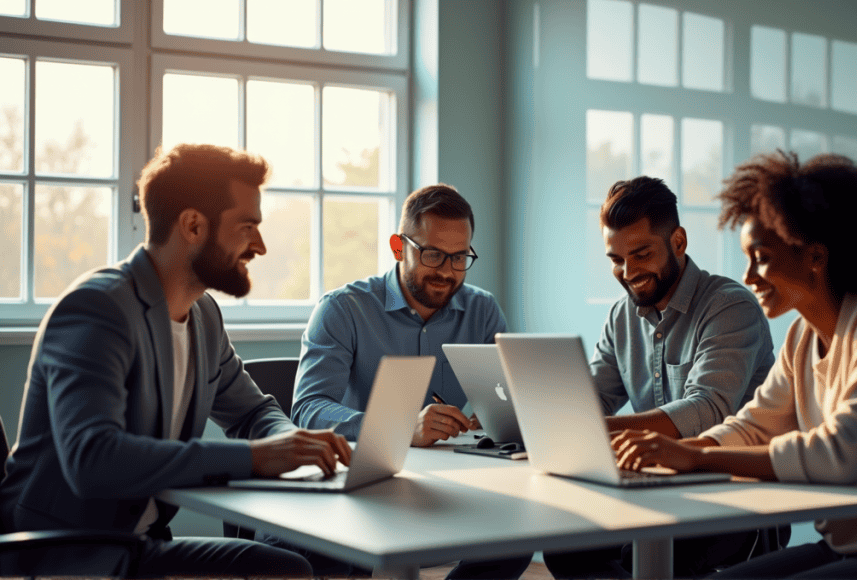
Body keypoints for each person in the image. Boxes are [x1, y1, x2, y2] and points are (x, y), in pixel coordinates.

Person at [613, 152, 857, 578]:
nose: (749, 276)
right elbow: (752, 426)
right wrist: (681, 452)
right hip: (851, 550)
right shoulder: (802, 338)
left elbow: (840, 454)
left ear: (814, 256)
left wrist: (696, 459)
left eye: (762, 257)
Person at [0, 144, 353, 577]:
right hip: (61, 553)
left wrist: (295, 445)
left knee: (287, 569)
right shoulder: (97, 308)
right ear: (192, 225)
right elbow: (93, 461)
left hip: (138, 545)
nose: (259, 246)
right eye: (247, 227)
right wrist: (256, 457)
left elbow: (254, 411)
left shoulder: (202, 315)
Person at [277, 183, 532, 579]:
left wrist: (495, 418)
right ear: (399, 247)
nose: (447, 271)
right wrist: (398, 427)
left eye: (460, 257)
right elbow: (308, 410)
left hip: (450, 483)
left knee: (517, 536)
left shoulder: (482, 310)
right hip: (363, 485)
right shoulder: (343, 309)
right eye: (433, 254)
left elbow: (505, 397)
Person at [542, 176, 778, 579]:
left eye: (641, 254)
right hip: (654, 489)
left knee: (642, 558)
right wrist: (548, 415)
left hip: (734, 496)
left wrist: (590, 429)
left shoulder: (729, 306)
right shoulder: (621, 316)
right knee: (564, 550)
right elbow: (594, 396)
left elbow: (708, 408)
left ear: (679, 242)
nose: (628, 271)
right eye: (616, 259)